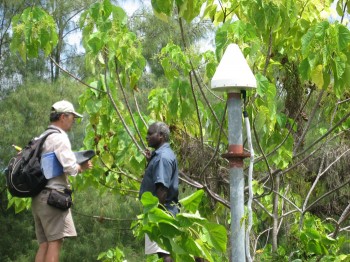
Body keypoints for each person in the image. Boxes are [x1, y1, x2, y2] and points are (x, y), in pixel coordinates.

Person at [31, 100, 93, 262]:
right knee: (55, 242)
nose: (74, 120)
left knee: (44, 244)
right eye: (73, 117)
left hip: (38, 198)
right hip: (53, 197)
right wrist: (82, 166)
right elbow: (70, 168)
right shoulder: (59, 138)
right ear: (63, 117)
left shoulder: (41, 137)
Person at [139, 122, 179, 262]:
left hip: (162, 212)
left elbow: (162, 190)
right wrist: (151, 160)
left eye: (151, 134)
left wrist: (156, 217)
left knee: (164, 252)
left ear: (161, 136)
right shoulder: (161, 155)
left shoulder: (162, 158)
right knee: (162, 252)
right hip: (165, 211)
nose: (147, 136)